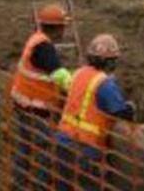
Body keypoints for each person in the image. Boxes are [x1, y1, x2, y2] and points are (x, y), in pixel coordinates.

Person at [55, 34, 135, 191]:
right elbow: (120, 112)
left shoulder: (78, 73)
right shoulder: (104, 83)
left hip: (63, 141)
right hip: (85, 148)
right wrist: (131, 109)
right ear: (110, 62)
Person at [10, 4, 73, 189]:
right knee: (47, 151)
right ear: (58, 27)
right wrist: (78, 88)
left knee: (24, 147)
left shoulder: (36, 39)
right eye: (63, 26)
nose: (64, 31)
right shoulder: (45, 47)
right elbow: (59, 75)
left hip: (22, 104)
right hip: (35, 110)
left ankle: (19, 185)